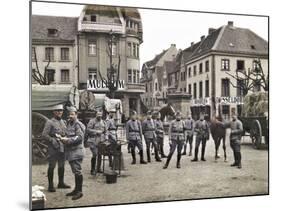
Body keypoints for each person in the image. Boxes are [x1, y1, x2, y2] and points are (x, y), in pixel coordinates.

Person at [42, 104, 71, 192]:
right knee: (52, 166)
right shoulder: (50, 122)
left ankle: (61, 183)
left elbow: (65, 133)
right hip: (53, 148)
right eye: (57, 111)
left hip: (62, 147)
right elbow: (44, 135)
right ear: (54, 112)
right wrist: (52, 140)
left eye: (61, 111)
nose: (59, 112)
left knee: (61, 166)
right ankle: (51, 185)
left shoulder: (64, 122)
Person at [59, 107, 85, 200]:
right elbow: (68, 134)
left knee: (77, 171)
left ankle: (80, 191)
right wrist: (62, 137)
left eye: (72, 114)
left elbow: (79, 137)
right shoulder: (70, 123)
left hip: (77, 151)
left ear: (76, 115)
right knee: (75, 171)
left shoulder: (78, 124)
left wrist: (68, 140)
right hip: (71, 152)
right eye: (69, 114)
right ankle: (76, 189)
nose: (70, 116)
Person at [86, 111, 108, 175]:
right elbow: (88, 130)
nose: (99, 116)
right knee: (95, 154)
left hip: (101, 141)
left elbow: (106, 131)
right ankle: (92, 169)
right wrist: (96, 131)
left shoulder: (104, 122)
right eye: (98, 114)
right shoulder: (92, 121)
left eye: (100, 114)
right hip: (93, 140)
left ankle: (98, 169)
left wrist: (106, 137)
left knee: (100, 154)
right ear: (96, 115)